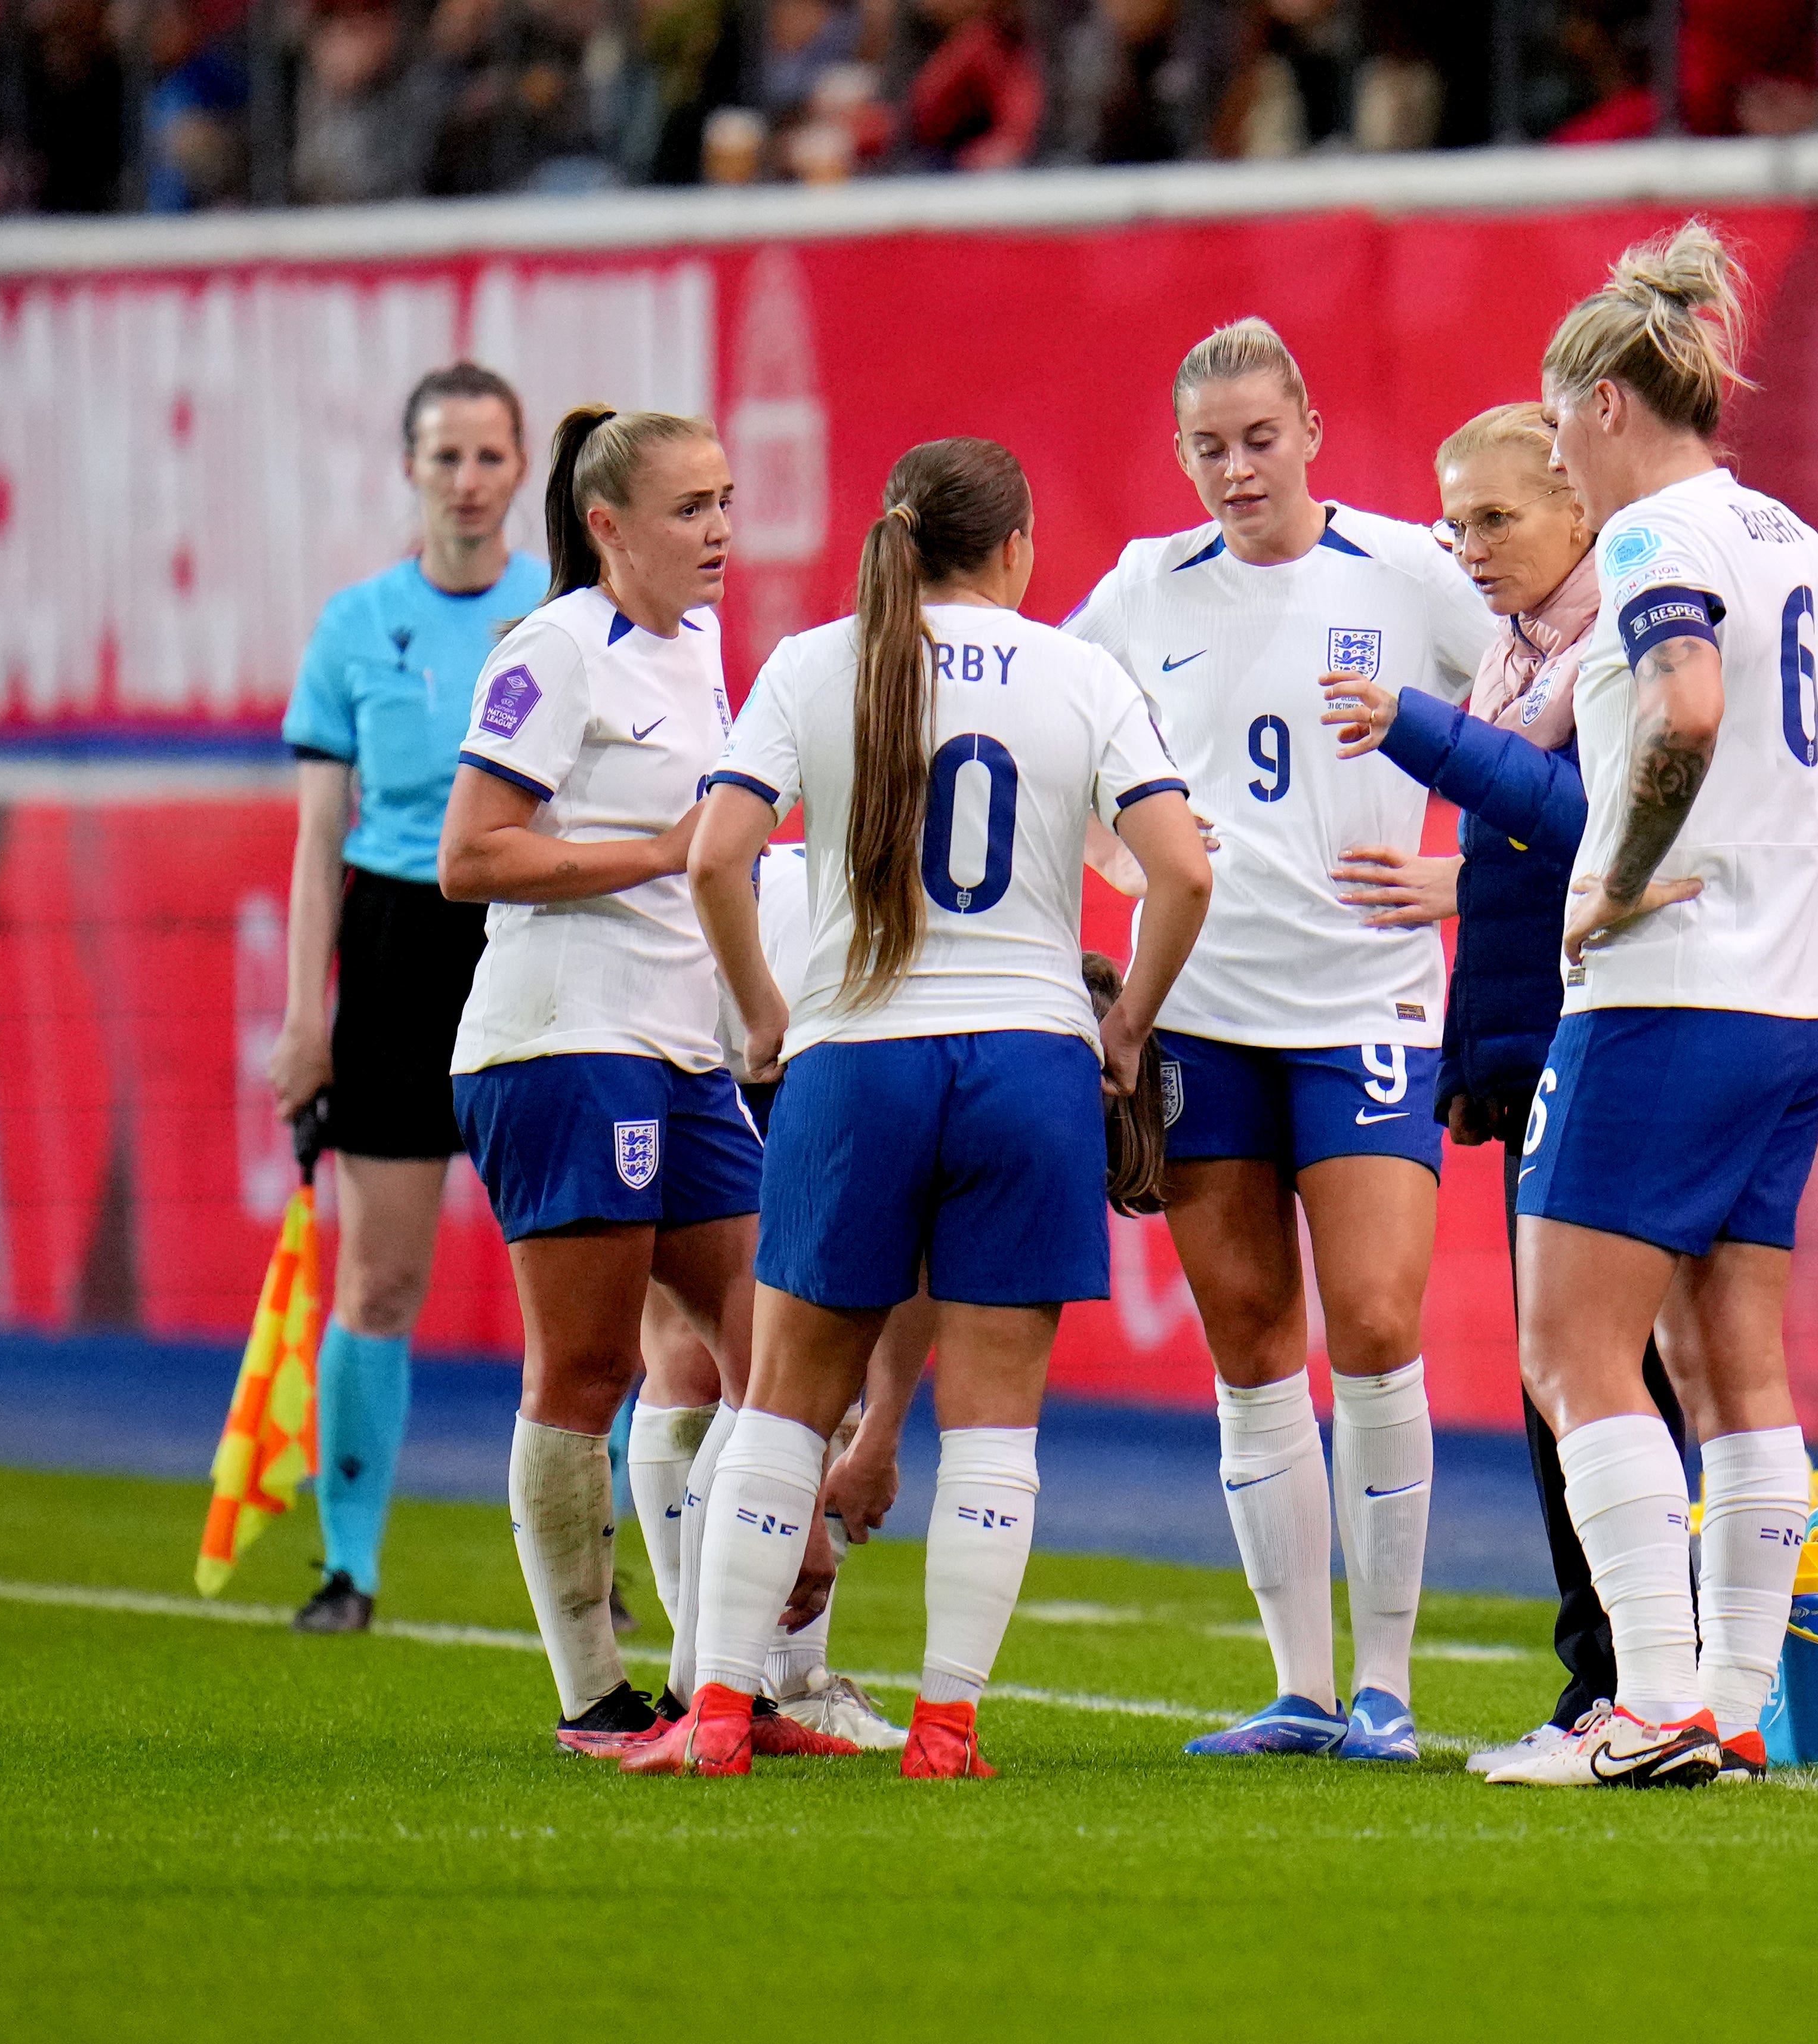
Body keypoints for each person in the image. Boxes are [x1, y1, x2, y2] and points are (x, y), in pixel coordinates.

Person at [634, 436, 1210, 1780]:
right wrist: (1122, 1026)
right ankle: (945, 1729)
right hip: (1028, 1061)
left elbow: (717, 854)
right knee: (997, 1418)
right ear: (1014, 549)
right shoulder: (1080, 673)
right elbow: (1180, 873)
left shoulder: (813, 662)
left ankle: (717, 1717)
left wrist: (765, 1012)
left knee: (781, 1404)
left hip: (858, 1058)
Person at [1487, 221, 1818, 1788]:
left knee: (1575, 1356)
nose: (1557, 447)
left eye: (1558, 416)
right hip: (1790, 1007)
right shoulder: (1789, 538)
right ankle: (1735, 1703)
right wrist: (1814, 864)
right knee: (1734, 1366)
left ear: (1610, 406)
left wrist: (1624, 863)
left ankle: (1644, 1704)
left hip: (1662, 998)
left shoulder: (1651, 542)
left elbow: (1686, 705)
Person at [1064, 319, 1496, 1763]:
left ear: (1309, 423)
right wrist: (1139, 874)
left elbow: (1551, 726)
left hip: (1368, 1000)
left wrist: (1474, 879)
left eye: (1259, 437)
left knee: (1375, 1326)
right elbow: (1055, 741)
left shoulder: (1410, 571)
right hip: (1202, 1013)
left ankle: (1388, 1685)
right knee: (1252, 1342)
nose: (1236, 471)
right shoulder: (1138, 590)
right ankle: (1300, 1689)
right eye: (1207, 448)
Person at [1316, 401, 1695, 1775]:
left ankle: (1633, 1673)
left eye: (1497, 519)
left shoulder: (1617, 638)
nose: (1468, 550)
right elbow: (1546, 849)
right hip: (1538, 1032)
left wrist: (1417, 737)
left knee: (1607, 1367)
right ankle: (1628, 1666)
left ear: (1579, 511)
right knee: (1594, 1370)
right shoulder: (1524, 646)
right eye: (1454, 523)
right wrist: (1478, 1017)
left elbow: (1589, 818)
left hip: (1620, 1029)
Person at [438, 403, 766, 1749]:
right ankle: (593, 1693)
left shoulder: (700, 650)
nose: (721, 532)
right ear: (607, 526)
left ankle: (717, 1670)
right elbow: (470, 855)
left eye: (728, 501)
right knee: (583, 1369)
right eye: (690, 509)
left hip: (682, 1045)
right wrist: (660, 853)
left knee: (778, 1346)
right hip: (566, 1039)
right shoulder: (552, 652)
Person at [270, 364, 549, 1635]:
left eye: (490, 457)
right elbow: (318, 837)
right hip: (391, 947)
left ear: (524, 470)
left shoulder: (561, 613)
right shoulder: (352, 628)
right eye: (446, 458)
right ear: (410, 471)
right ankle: (349, 1566)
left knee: (587, 1274)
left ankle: (605, 1560)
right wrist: (302, 1012)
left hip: (534, 935)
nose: (469, 482)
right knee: (379, 1282)